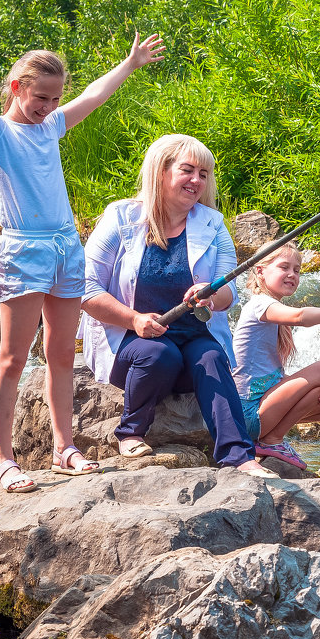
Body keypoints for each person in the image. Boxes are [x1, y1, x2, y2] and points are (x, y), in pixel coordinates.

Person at [0, 0, 165, 493]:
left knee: (60, 354)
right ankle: (4, 458)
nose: (49, 108)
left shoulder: (51, 127)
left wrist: (130, 63)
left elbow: (95, 96)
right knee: (12, 357)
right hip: (24, 251)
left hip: (66, 247)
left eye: (54, 100)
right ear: (16, 88)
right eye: (40, 98)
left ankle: (63, 447)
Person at [79, 134, 271, 477]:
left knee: (212, 358)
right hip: (133, 345)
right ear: (161, 172)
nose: (197, 180)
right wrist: (134, 319)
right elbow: (86, 288)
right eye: (188, 170)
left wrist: (210, 293)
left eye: (204, 173)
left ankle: (239, 457)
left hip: (192, 342)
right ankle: (130, 432)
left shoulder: (213, 225)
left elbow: (230, 295)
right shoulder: (120, 218)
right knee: (159, 354)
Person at [231, 242, 320, 469]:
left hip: (265, 407)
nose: (292, 274)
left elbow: (273, 377)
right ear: (260, 271)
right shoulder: (260, 305)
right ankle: (272, 440)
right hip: (247, 414)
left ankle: (271, 435)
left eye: (297, 269)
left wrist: (314, 394)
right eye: (284, 267)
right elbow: (300, 316)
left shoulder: (272, 307)